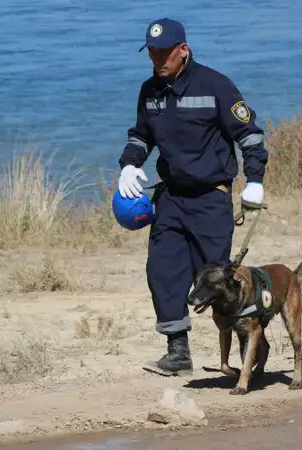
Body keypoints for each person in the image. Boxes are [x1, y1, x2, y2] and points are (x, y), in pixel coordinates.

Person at [117, 17, 269, 376]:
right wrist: (129, 165)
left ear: (182, 50)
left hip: (211, 199)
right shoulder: (149, 91)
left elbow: (250, 135)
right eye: (152, 52)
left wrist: (255, 181)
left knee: (219, 281)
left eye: (163, 53)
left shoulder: (216, 85)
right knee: (163, 271)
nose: (157, 60)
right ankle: (177, 351)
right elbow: (141, 136)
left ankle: (250, 350)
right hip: (170, 199)